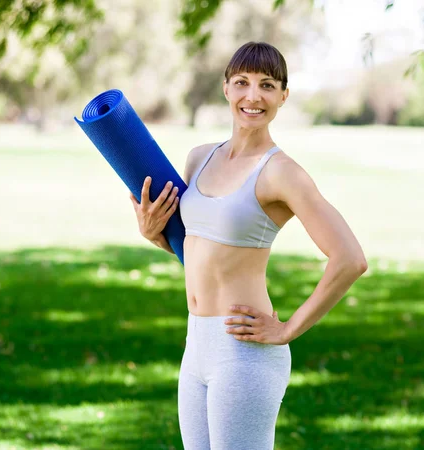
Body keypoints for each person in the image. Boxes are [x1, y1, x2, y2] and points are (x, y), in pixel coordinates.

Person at [129, 41, 367, 450]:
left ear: (283, 96)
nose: (253, 96)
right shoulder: (199, 158)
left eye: (267, 85)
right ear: (226, 88)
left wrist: (288, 329)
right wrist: (153, 235)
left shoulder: (282, 173)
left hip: (244, 354)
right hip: (196, 344)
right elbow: (202, 252)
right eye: (242, 82)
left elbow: (350, 259)